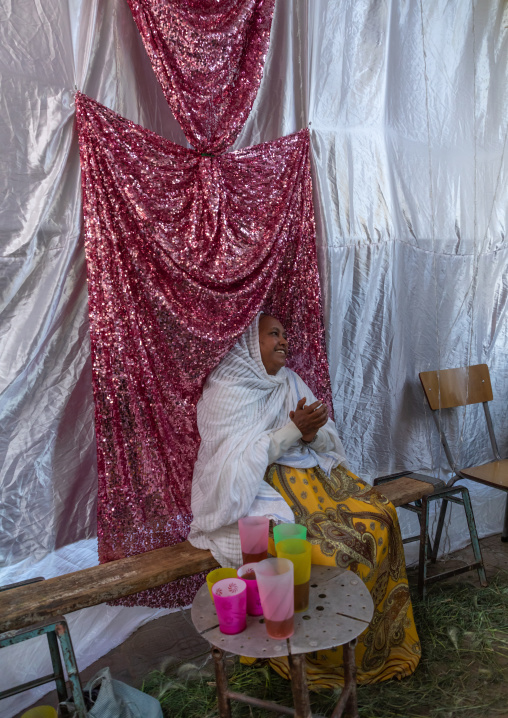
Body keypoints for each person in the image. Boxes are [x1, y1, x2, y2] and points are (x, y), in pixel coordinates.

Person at [189, 313, 421, 685]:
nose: (284, 341)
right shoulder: (226, 390)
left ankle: (379, 647)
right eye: (273, 334)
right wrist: (291, 431)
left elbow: (325, 432)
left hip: (313, 478)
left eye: (285, 334)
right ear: (252, 344)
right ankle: (319, 660)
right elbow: (229, 465)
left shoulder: (290, 381)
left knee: (381, 516)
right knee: (336, 549)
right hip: (265, 488)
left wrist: (311, 435)